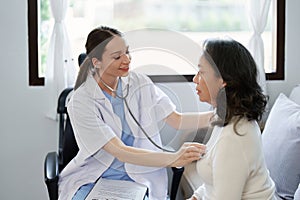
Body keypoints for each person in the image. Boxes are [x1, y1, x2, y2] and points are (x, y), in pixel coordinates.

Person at [58, 26, 212, 200]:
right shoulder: (81, 100)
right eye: (117, 56)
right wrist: (172, 158)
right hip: (95, 179)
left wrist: (216, 117)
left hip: (139, 177)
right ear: (96, 62)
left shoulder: (139, 83)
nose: (126, 60)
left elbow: (176, 119)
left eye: (127, 52)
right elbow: (119, 151)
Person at [187, 38, 278, 200]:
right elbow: (215, 182)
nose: (195, 79)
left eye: (201, 72)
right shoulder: (225, 117)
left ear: (223, 80)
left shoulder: (234, 137)